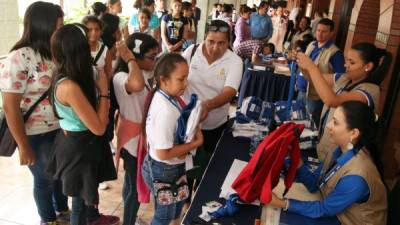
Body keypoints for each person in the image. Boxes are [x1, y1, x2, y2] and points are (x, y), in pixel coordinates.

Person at [0, 2, 68, 225]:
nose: (62, 29)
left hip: (61, 129)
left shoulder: (55, 52)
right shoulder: (19, 58)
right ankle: (48, 219)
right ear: (43, 25)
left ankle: (62, 210)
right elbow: (10, 106)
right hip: (35, 133)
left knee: (59, 176)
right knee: (44, 179)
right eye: (59, 25)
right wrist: (24, 145)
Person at [269, 101, 387, 225]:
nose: (328, 125)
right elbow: (317, 185)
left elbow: (324, 209)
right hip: (336, 210)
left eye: (335, 122)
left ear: (354, 133)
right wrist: (296, 162)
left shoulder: (357, 176)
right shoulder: (339, 149)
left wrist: (282, 203)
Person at [49, 24, 120, 225]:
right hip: (80, 147)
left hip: (77, 142)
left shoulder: (70, 74)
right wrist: (105, 91)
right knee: (79, 205)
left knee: (83, 201)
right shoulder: (69, 85)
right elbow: (99, 127)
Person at [295, 42, 391, 164]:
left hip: (341, 152)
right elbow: (313, 79)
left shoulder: (370, 90)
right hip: (326, 142)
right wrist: (302, 64)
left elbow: (332, 101)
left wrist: (312, 67)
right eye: (346, 60)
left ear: (368, 66)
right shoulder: (345, 78)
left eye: (352, 62)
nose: (346, 65)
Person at [141, 53, 204, 225]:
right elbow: (163, 153)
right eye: (181, 79)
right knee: (163, 217)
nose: (186, 83)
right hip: (164, 170)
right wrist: (195, 143)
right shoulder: (165, 111)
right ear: (164, 79)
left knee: (176, 209)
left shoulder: (168, 96)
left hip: (172, 167)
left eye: (186, 78)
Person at [182, 20, 243, 183]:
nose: (215, 48)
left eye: (221, 43)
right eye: (211, 42)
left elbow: (229, 92)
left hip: (214, 125)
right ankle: (185, 202)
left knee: (206, 170)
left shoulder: (235, 61)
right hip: (188, 123)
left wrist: (207, 105)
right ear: (205, 38)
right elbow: (178, 77)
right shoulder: (192, 51)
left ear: (229, 42)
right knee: (185, 166)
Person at [113, 33, 158, 225]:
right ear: (136, 57)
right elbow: (137, 85)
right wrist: (129, 57)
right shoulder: (121, 77)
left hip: (143, 138)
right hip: (132, 141)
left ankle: (130, 218)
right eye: (151, 57)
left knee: (131, 184)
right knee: (134, 187)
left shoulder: (145, 72)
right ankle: (129, 221)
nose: (155, 61)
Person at [297, 18, 345, 127]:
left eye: (324, 31)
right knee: (298, 122)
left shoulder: (335, 53)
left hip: (316, 97)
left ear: (332, 33)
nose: (320, 33)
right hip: (301, 91)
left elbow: (341, 79)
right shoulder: (312, 44)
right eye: (318, 30)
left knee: (310, 126)